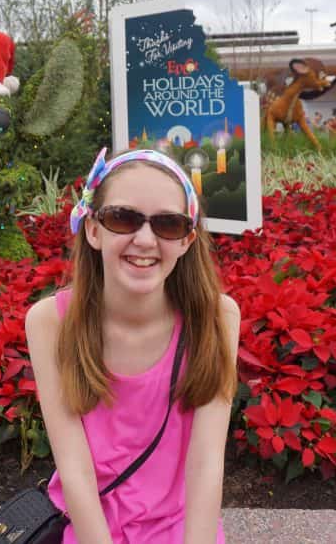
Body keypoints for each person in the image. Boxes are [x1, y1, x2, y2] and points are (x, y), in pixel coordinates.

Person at [26, 148, 239, 543]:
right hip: (88, 529)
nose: (145, 239)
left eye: (168, 225)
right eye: (123, 218)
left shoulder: (216, 317)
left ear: (187, 240)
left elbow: (206, 464)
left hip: (181, 531)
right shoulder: (50, 322)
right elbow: (75, 468)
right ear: (93, 229)